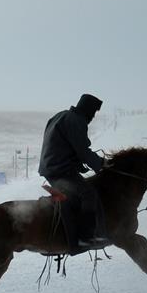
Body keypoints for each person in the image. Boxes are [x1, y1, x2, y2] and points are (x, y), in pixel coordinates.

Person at [38, 93, 107, 255]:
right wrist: (101, 164)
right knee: (88, 193)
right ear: (88, 109)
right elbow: (83, 151)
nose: (93, 116)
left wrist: (78, 165)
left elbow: (63, 146)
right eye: (94, 112)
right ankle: (85, 238)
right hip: (60, 170)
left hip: (52, 168)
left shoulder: (61, 116)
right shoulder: (76, 121)